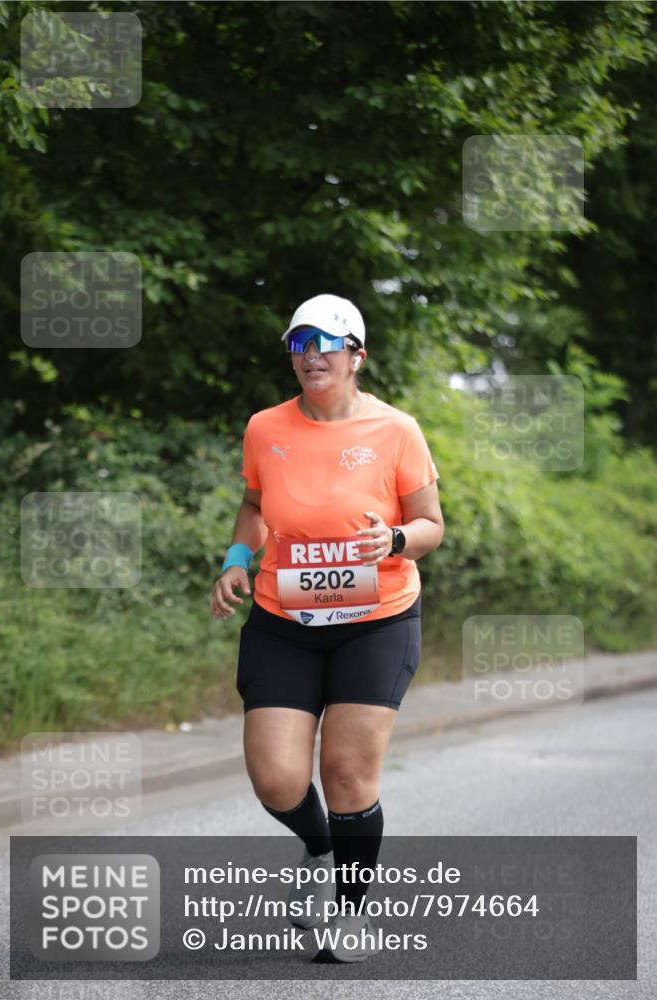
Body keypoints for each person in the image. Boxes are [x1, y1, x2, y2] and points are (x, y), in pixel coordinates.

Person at [210, 293, 444, 963]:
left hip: (377, 621)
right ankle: (318, 849)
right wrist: (235, 560)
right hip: (283, 620)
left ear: (356, 356)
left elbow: (430, 525)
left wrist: (393, 538)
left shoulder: (396, 429)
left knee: (345, 770)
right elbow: (254, 504)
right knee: (277, 779)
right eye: (299, 343)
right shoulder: (265, 427)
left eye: (326, 343)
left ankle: (351, 913)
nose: (311, 354)